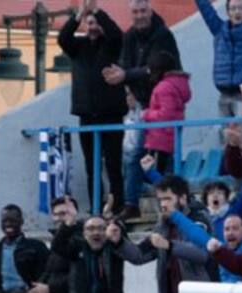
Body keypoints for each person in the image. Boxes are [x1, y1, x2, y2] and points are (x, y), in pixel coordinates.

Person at [104, 0, 182, 219]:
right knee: (132, 154)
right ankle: (131, 203)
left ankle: (173, 202)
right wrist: (126, 85)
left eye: (143, 11)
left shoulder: (163, 35)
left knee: (166, 155)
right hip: (141, 103)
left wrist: (125, 76)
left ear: (150, 11)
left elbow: (154, 68)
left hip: (166, 104)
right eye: (135, 12)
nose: (139, 16)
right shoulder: (129, 36)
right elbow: (125, 66)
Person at [58, 1, 126, 212]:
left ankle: (118, 204)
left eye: (95, 22)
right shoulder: (77, 47)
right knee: (92, 165)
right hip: (87, 114)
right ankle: (96, 206)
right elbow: (63, 38)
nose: (93, 26)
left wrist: (97, 11)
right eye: (89, 23)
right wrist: (78, 15)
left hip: (111, 113)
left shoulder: (111, 44)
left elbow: (116, 33)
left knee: (114, 164)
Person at [141, 51, 192, 173]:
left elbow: (166, 114)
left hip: (159, 138)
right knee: (161, 169)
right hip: (169, 136)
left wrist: (146, 114)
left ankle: (160, 191)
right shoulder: (176, 84)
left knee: (154, 171)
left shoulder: (164, 87)